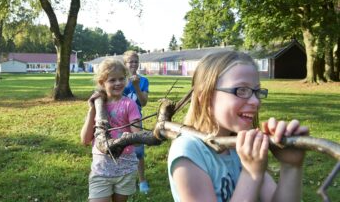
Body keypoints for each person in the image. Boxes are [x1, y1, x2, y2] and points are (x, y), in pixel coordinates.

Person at [168, 51, 309, 202]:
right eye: (241, 90)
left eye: (256, 91)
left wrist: (291, 166)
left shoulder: (242, 148)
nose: (255, 101)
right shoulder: (188, 152)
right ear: (206, 99)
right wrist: (251, 173)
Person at [80, 58, 141, 202]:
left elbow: (138, 139)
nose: (118, 83)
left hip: (125, 169)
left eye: (121, 79)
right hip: (101, 169)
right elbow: (85, 139)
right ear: (102, 83)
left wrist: (130, 137)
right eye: (112, 80)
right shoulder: (99, 104)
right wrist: (91, 110)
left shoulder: (129, 104)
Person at [122, 50, 150, 194]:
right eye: (130, 61)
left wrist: (137, 86)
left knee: (138, 151)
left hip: (136, 119)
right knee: (120, 148)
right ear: (125, 63)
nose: (133, 64)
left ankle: (142, 180)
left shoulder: (143, 80)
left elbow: (143, 102)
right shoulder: (119, 79)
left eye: (135, 61)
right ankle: (123, 178)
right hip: (119, 120)